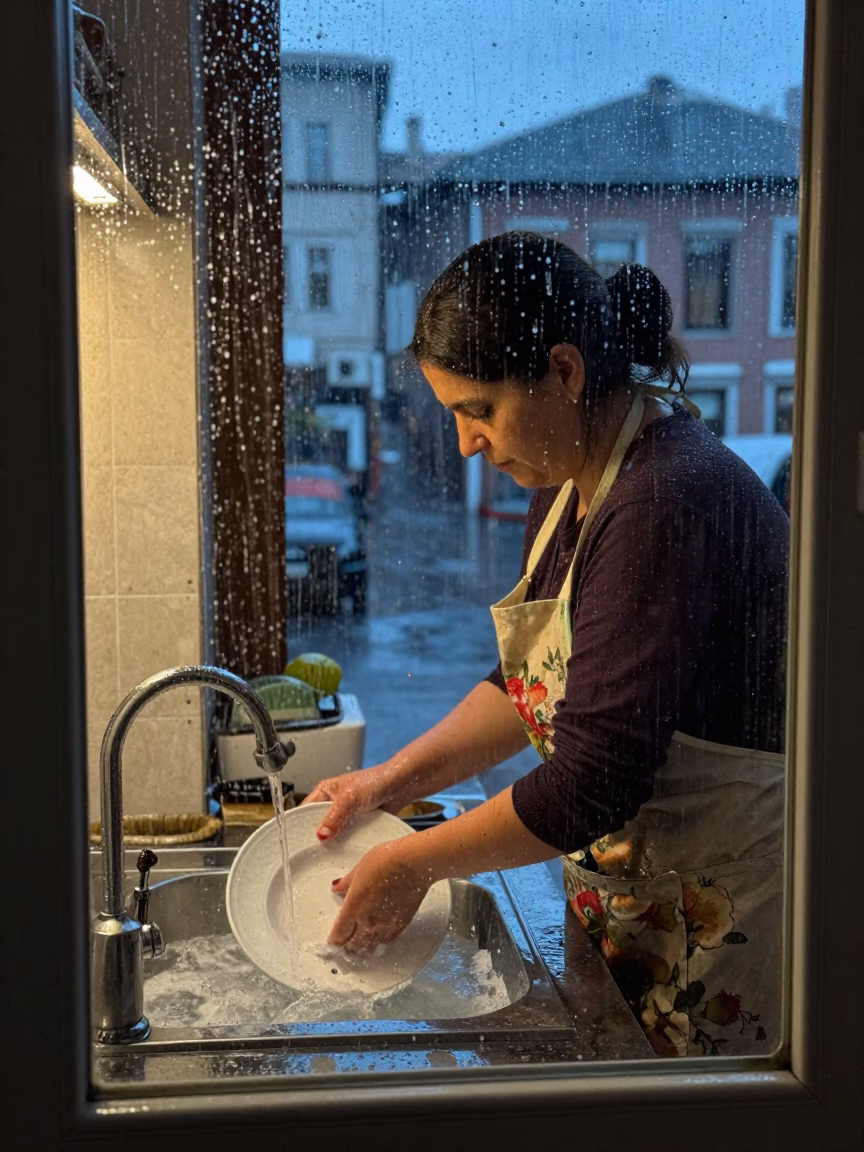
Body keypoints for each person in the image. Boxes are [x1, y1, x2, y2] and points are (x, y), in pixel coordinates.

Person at [303, 232, 788, 1058]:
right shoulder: (573, 478)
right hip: (645, 897)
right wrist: (388, 782)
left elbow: (595, 777)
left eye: (478, 410)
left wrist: (417, 861)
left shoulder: (662, 499)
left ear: (566, 372)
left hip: (730, 907)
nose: (465, 443)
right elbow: (524, 683)